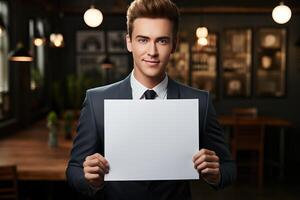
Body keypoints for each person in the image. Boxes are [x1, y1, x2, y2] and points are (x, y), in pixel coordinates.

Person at [66, 0, 236, 199]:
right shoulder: (97, 101)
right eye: (143, 40)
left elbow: (229, 168)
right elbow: (74, 170)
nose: (152, 52)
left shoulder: (200, 101)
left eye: (162, 40)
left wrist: (215, 174)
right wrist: (89, 178)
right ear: (129, 42)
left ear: (174, 44)